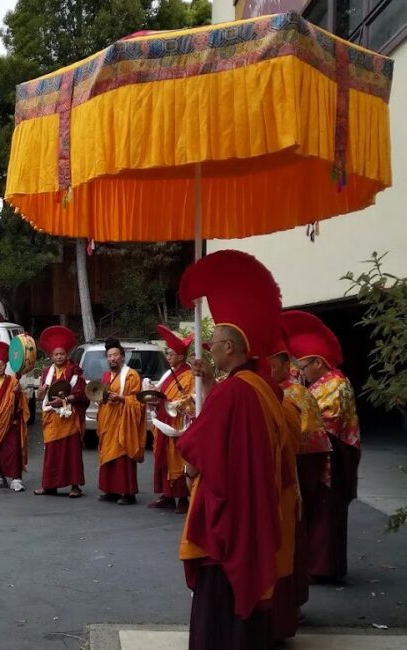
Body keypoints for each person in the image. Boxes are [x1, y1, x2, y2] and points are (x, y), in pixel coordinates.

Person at [177, 249, 285, 650]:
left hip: (229, 508)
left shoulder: (235, 391)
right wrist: (208, 384)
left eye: (214, 341)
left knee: (220, 592)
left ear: (228, 347)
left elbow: (197, 443)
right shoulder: (259, 387)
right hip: (254, 502)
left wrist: (189, 462)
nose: (209, 347)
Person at [285, 310, 360, 583]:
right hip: (322, 454)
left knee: (327, 515)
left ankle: (324, 568)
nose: (302, 373)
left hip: (333, 458)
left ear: (318, 362)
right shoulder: (321, 384)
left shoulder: (336, 385)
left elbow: (327, 423)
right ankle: (318, 564)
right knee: (319, 515)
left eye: (304, 367)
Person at [268, 338, 314, 643]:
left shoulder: (295, 393)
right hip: (270, 476)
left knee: (289, 544)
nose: (270, 367)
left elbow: (306, 436)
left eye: (275, 362)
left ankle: (291, 605)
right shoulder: (262, 391)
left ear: (287, 365)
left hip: (289, 476)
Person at [33, 326, 88, 498]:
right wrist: (40, 392)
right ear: (51, 356)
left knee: (71, 453)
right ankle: (49, 485)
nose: (59, 357)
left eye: (62, 354)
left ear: (67, 355)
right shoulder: (46, 372)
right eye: (56, 354)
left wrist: (64, 400)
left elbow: (80, 393)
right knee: (51, 453)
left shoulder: (74, 372)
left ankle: (75, 486)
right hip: (51, 418)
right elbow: (41, 395)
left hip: (69, 418)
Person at [148, 325, 194, 513]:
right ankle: (167, 496)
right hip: (163, 420)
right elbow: (162, 392)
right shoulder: (170, 373)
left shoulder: (189, 374)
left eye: (171, 354)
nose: (168, 357)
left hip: (178, 423)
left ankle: (182, 498)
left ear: (181, 357)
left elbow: (190, 398)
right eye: (167, 353)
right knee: (163, 458)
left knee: (178, 459)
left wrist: (173, 402)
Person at [96, 338, 145, 505]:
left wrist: (122, 399)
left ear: (123, 357)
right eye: (109, 356)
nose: (112, 359)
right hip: (108, 421)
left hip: (124, 422)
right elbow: (100, 396)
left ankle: (127, 493)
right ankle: (110, 490)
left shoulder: (131, 375)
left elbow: (137, 401)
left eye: (115, 355)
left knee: (123, 456)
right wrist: (102, 398)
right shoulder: (106, 376)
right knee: (108, 456)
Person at [0, 342, 30, 492]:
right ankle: (0, 477)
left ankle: (16, 478)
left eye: (1, 364)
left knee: (13, 449)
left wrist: (17, 392)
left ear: (5, 365)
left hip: (11, 422)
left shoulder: (13, 381)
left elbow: (21, 402)